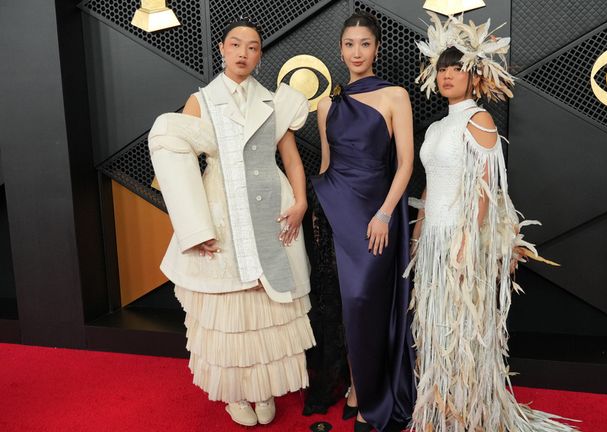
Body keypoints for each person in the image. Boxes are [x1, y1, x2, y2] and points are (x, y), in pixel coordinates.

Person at [408, 13, 578, 432]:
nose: (447, 75)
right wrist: (418, 232)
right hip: (433, 241)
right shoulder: (436, 128)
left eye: (456, 68)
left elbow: (486, 188)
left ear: (474, 75)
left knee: (462, 329)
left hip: (461, 239)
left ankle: (470, 416)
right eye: (442, 69)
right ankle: (441, 414)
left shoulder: (478, 120)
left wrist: (468, 240)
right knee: (436, 328)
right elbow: (430, 184)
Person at [148, 17, 315, 427]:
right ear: (222, 49)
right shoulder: (201, 100)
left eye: (252, 47)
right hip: (221, 209)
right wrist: (194, 225)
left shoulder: (274, 101)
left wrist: (300, 203)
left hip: (272, 208)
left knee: (268, 306)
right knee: (229, 310)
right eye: (236, 44)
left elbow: (292, 160)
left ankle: (263, 389)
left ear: (260, 55)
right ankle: (236, 393)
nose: (243, 53)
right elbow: (177, 161)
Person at [308, 11, 416, 432]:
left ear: (376, 48)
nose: (357, 52)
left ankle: (371, 396)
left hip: (375, 216)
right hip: (335, 212)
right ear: (340, 50)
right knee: (341, 306)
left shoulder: (395, 96)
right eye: (350, 44)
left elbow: (405, 164)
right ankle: (354, 387)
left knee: (365, 304)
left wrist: (385, 213)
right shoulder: (326, 105)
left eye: (365, 44)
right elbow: (326, 165)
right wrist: (319, 214)